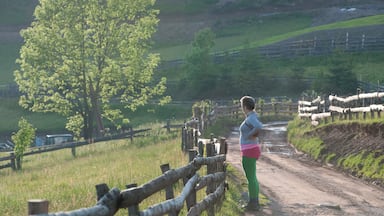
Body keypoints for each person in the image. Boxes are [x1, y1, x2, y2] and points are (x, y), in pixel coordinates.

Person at [239, 96, 263, 211]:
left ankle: (253, 203)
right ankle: (254, 201)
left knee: (251, 177)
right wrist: (252, 135)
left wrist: (249, 135)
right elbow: (258, 127)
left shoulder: (250, 118)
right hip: (251, 149)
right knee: (252, 177)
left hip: (249, 150)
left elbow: (259, 127)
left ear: (244, 106)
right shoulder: (251, 116)